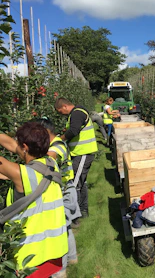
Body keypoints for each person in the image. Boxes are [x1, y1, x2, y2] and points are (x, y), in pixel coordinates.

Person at [0, 123, 68, 277]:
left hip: (29, 259)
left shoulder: (22, 175)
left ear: (24, 146)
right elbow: (11, 144)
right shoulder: (51, 164)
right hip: (54, 251)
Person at [36, 118, 80, 276]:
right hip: (63, 191)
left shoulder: (57, 146)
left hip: (65, 192)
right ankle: (72, 257)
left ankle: (62, 268)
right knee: (65, 227)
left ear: (45, 133)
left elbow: (49, 159)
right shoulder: (53, 144)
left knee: (60, 229)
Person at [55, 98, 98, 219]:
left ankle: (75, 216)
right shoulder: (77, 113)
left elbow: (74, 131)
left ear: (64, 106)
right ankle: (83, 211)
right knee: (81, 183)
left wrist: (60, 139)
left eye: (60, 111)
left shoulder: (77, 113)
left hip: (83, 153)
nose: (61, 114)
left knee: (74, 184)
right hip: (80, 153)